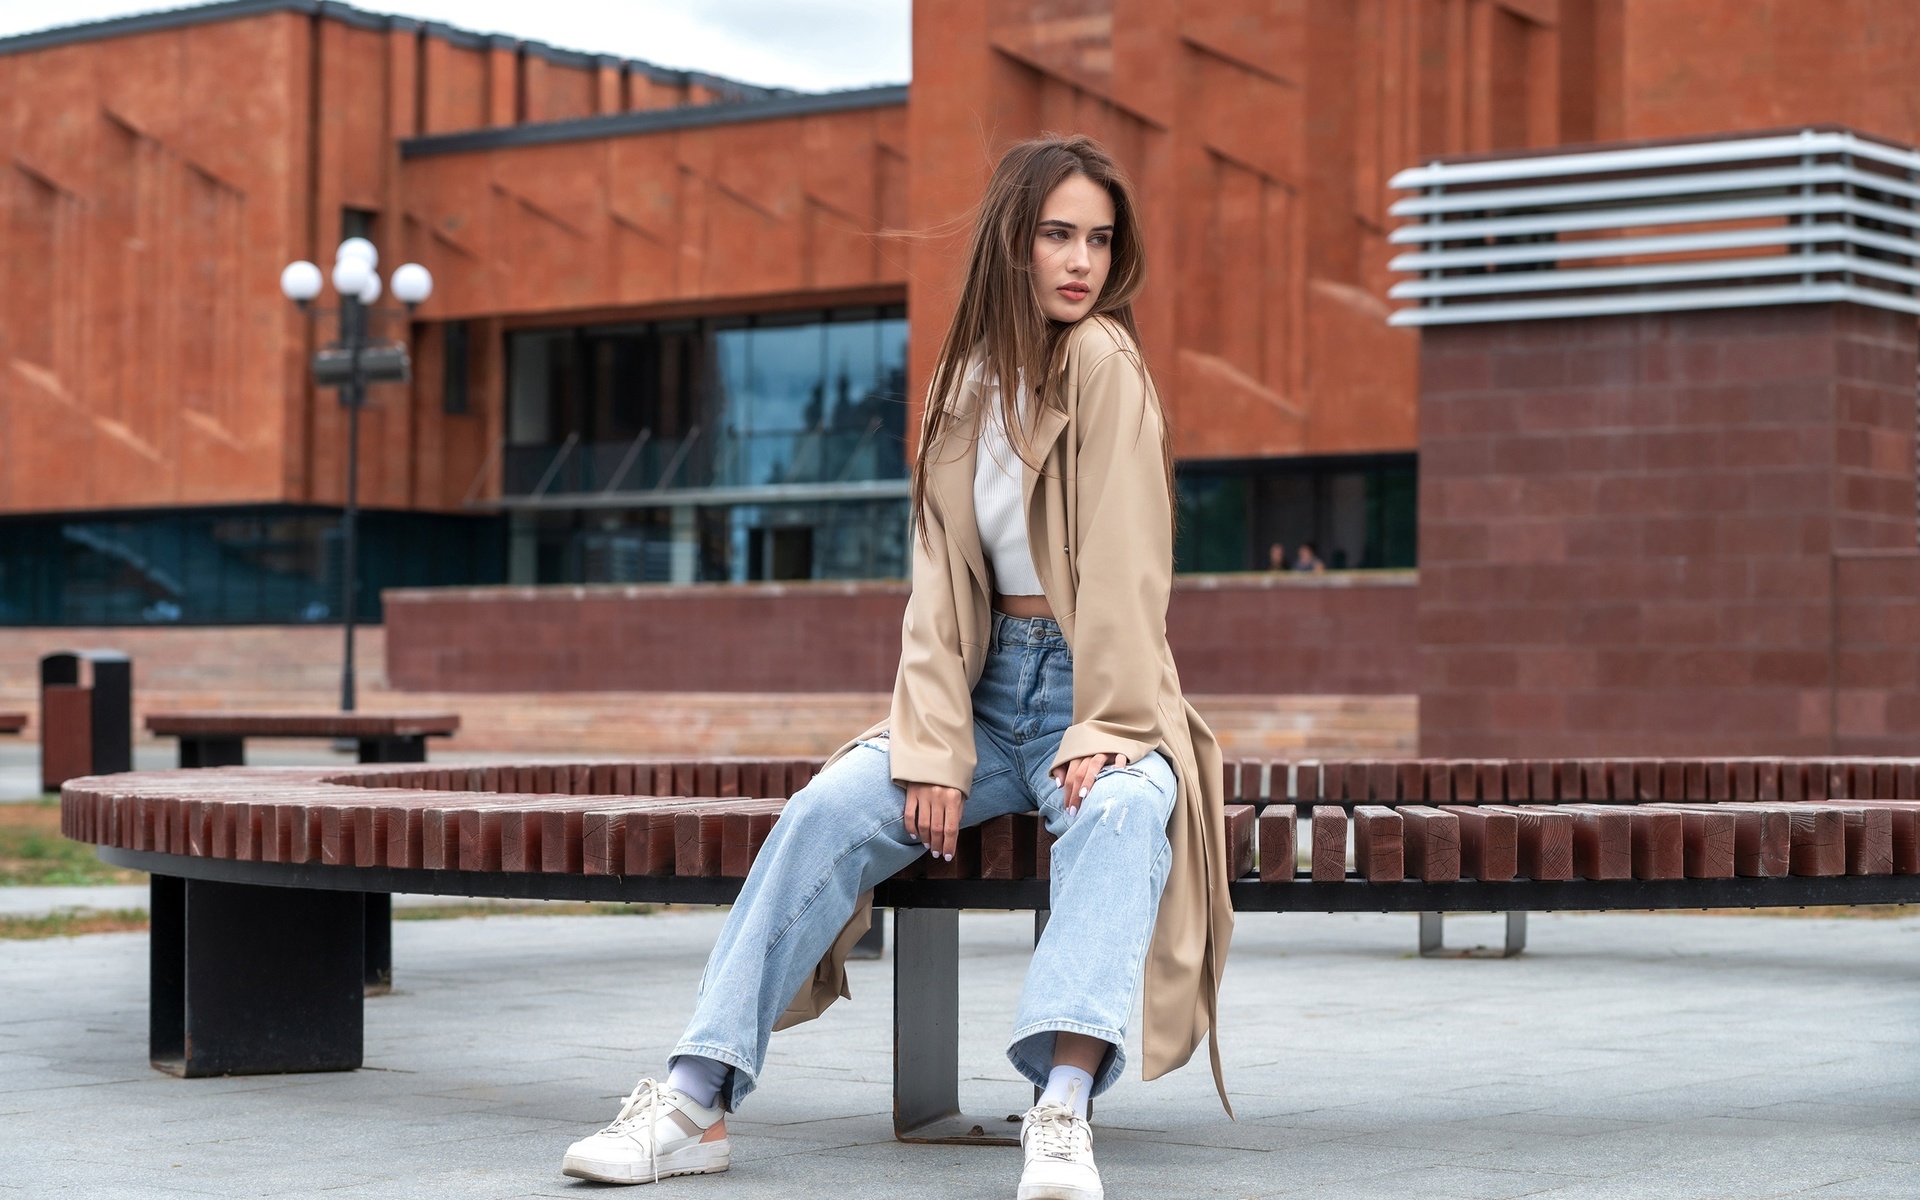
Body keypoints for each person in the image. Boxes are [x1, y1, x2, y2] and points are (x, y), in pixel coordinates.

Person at [560, 134, 1234, 1199]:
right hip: (978, 694)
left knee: (1118, 818)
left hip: (1104, 697)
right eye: (1058, 234)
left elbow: (1126, 562)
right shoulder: (960, 386)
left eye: (1099, 240)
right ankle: (695, 1093)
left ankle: (1060, 1111)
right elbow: (937, 587)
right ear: (1013, 241)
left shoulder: (1106, 361)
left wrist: (1106, 726)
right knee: (826, 809)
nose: (1081, 261)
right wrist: (932, 746)